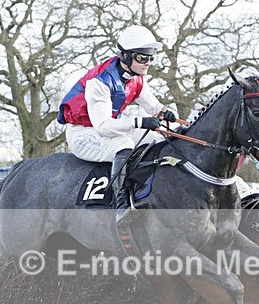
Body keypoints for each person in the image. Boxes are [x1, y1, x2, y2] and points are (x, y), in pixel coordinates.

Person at [57, 25, 177, 227]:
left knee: (160, 136)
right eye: (142, 57)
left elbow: (152, 106)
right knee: (123, 144)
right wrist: (140, 122)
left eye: (151, 57)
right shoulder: (100, 82)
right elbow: (103, 126)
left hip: (104, 130)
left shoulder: (137, 78)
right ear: (125, 56)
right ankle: (121, 205)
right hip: (83, 134)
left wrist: (164, 112)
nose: (148, 62)